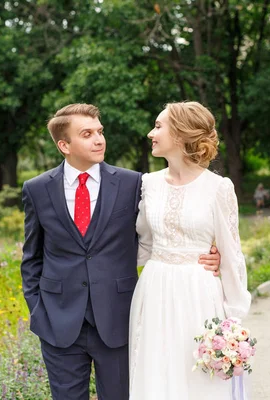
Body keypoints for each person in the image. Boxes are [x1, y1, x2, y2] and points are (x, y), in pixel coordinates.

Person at [20, 103, 222, 400]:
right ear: (64, 145)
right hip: (58, 323)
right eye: (87, 134)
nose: (99, 139)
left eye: (100, 131)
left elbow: (161, 233)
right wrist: (39, 310)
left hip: (118, 320)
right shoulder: (37, 189)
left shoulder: (133, 183)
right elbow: (32, 257)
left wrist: (205, 254)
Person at [130, 101, 252, 399]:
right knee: (155, 373)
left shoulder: (218, 188)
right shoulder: (148, 184)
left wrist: (233, 321)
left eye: (158, 126)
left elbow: (232, 255)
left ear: (182, 134)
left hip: (198, 293)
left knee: (198, 378)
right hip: (154, 289)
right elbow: (143, 243)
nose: (151, 134)